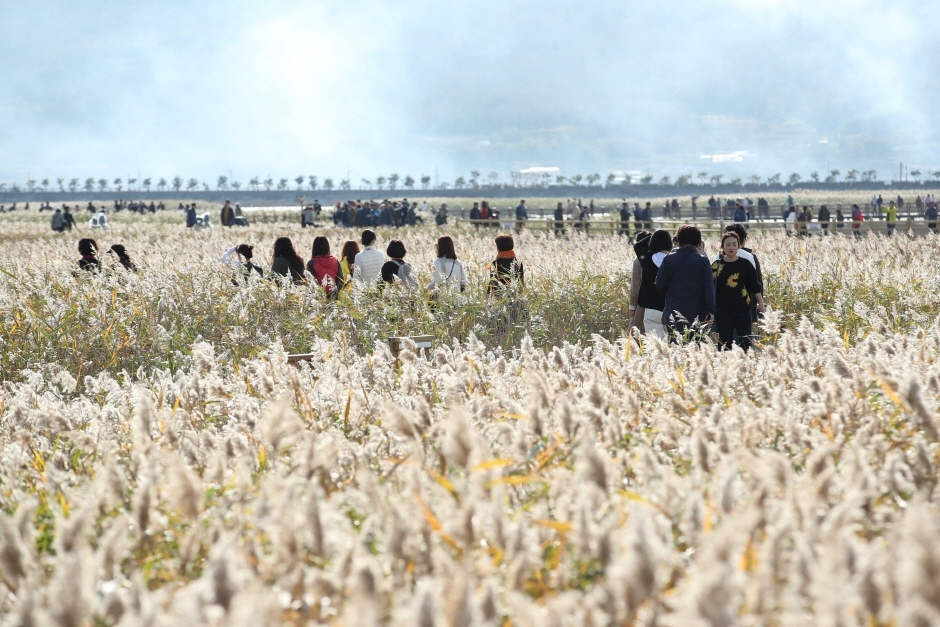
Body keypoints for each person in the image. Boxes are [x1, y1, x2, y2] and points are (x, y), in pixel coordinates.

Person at [655, 224, 715, 339]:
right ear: (698, 242)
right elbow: (709, 288)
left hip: (674, 310)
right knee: (696, 345)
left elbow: (659, 284)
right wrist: (711, 311)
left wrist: (670, 295)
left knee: (675, 343)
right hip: (698, 311)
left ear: (679, 240)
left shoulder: (669, 259)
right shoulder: (702, 261)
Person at [711, 232, 765, 350]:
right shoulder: (716, 265)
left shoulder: (745, 264)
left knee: (745, 341)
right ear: (722, 246)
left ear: (739, 246)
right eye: (728, 244)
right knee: (725, 342)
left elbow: (754, 286)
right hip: (722, 310)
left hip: (743, 309)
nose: (731, 247)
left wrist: (761, 303)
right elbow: (710, 287)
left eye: (734, 244)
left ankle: (746, 361)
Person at [636, 229, 671, 338]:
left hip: (651, 307)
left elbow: (637, 245)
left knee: (654, 343)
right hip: (670, 307)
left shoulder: (647, 259)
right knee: (671, 343)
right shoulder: (674, 260)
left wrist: (651, 236)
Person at [629, 230, 651, 334]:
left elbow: (635, 286)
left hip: (642, 304)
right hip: (657, 304)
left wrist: (632, 306)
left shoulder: (638, 262)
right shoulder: (655, 258)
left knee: (637, 334)